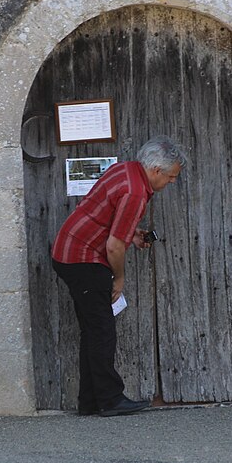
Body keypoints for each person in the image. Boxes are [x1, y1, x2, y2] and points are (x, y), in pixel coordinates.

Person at [51, 135, 187, 417]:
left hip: (69, 250)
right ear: (156, 171)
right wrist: (119, 278)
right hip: (82, 258)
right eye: (172, 176)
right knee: (102, 331)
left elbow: (107, 219)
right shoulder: (136, 192)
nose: (172, 182)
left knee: (94, 330)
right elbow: (113, 247)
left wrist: (131, 234)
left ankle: (90, 402)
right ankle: (110, 400)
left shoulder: (125, 170)